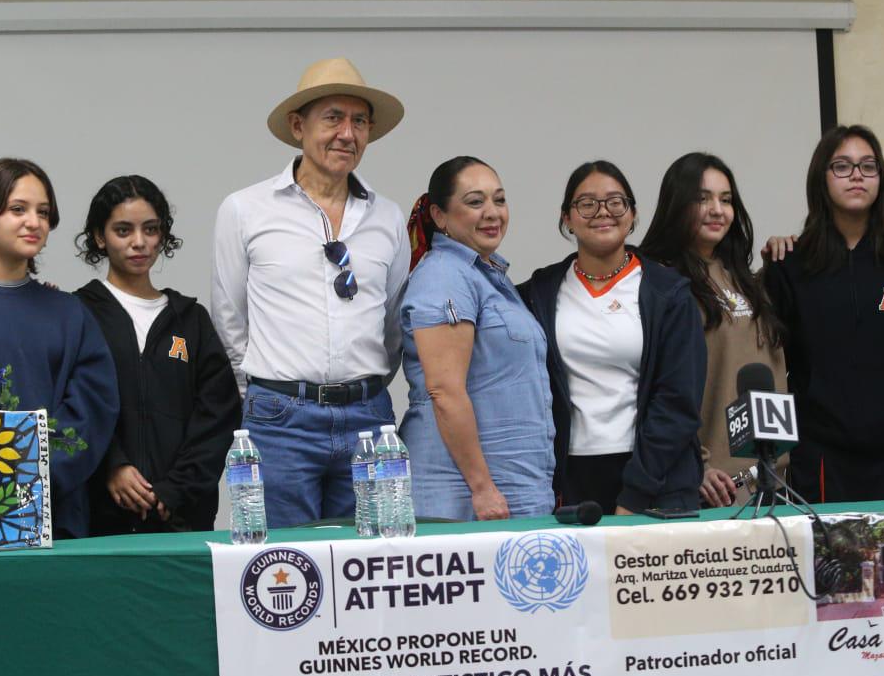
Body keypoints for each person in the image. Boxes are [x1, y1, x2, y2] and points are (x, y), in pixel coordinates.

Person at [210, 58, 409, 528]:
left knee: (370, 565)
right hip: (280, 418)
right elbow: (229, 316)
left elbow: (394, 324)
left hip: (369, 416)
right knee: (284, 568)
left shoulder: (388, 216)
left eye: (359, 121)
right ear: (299, 126)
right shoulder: (246, 209)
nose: (347, 133)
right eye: (333, 118)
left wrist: (366, 385)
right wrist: (262, 391)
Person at [0, 157, 118, 538]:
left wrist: (41, 477)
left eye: (43, 212)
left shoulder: (69, 311)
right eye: (18, 209)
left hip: (61, 511)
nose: (35, 222)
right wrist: (2, 485)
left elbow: (94, 406)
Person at [762, 126, 884, 503]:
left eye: (868, 166)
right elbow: (771, 359)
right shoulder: (791, 262)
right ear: (821, 178)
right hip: (819, 449)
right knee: (829, 559)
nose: (857, 175)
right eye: (842, 166)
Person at [519, 160, 706, 515]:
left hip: (656, 480)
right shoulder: (539, 291)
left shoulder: (669, 293)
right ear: (566, 219)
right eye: (586, 203)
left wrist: (635, 493)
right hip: (572, 476)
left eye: (616, 202)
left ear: (633, 214)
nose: (602, 211)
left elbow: (679, 403)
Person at [74, 175, 240, 534]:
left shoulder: (191, 320)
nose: (139, 242)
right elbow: (71, 404)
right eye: (123, 230)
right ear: (100, 237)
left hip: (181, 518)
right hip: (99, 519)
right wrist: (111, 466)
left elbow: (218, 414)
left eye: (150, 229)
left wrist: (175, 489)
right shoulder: (77, 313)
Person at [399, 157, 553, 520]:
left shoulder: (488, 275)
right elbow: (445, 392)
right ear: (439, 216)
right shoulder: (444, 276)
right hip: (463, 492)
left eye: (499, 200)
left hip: (512, 484)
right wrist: (482, 488)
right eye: (474, 202)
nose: (492, 213)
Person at [638, 152, 785, 509]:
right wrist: (694, 465)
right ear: (677, 204)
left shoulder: (745, 279)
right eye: (702, 199)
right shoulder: (658, 281)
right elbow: (652, 387)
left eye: (726, 199)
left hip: (771, 483)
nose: (717, 209)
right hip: (711, 489)